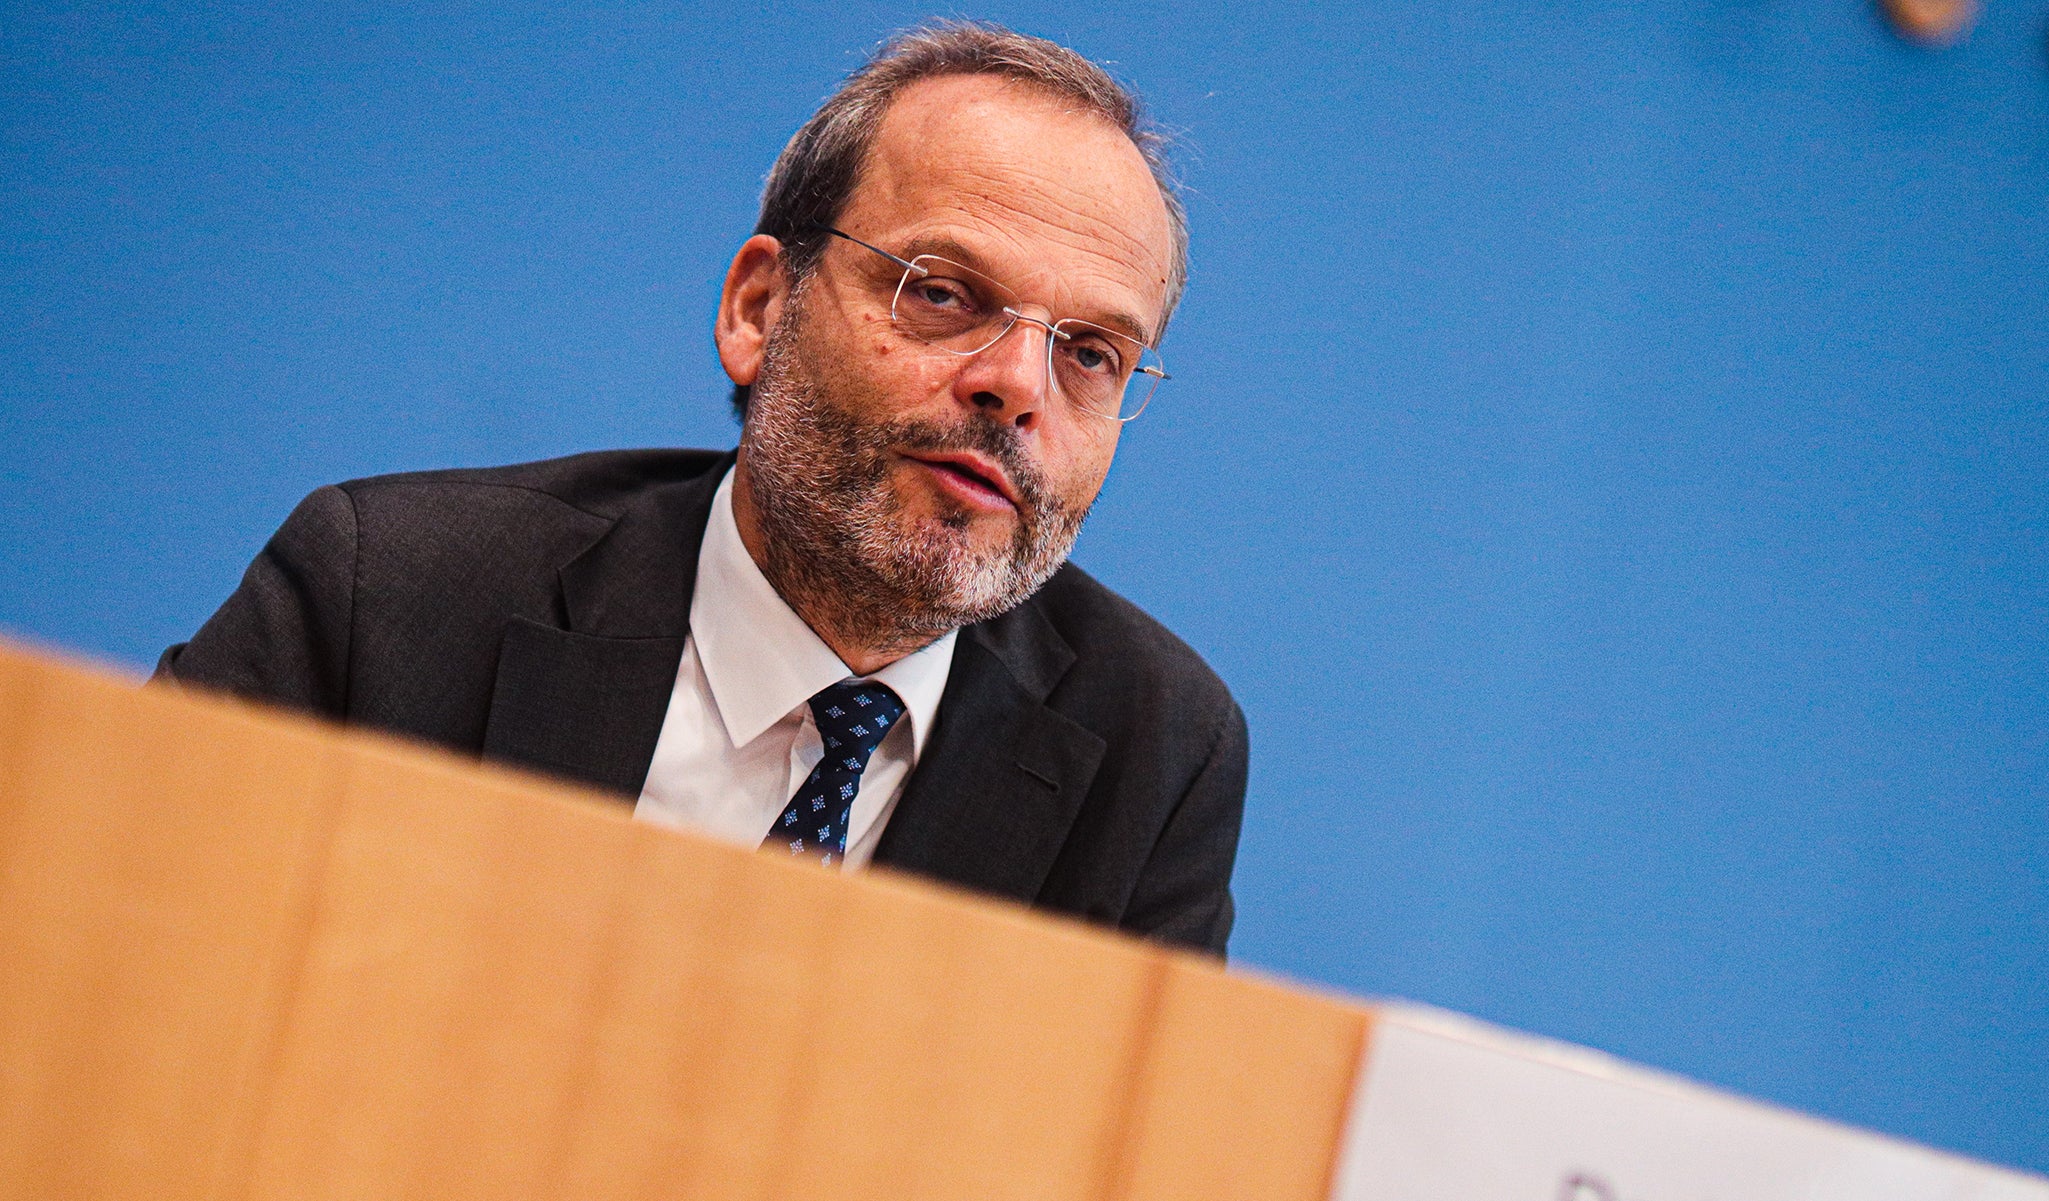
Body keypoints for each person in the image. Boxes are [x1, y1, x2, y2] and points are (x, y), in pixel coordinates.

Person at [157, 21, 1245, 955]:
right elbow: (100, 967)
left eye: (1091, 353)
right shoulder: (388, 592)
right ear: (760, 308)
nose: (1016, 385)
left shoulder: (1155, 746)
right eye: (946, 293)